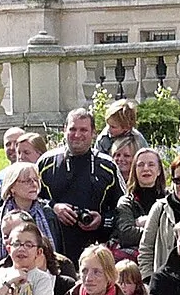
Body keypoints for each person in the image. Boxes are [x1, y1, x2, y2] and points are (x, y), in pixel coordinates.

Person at [39, 109, 122, 265]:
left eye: (83, 130)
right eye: (72, 129)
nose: (77, 135)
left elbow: (123, 209)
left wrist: (102, 220)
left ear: (94, 133)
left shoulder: (108, 166)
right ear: (64, 130)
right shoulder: (46, 163)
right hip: (53, 251)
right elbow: (29, 199)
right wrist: (54, 207)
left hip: (96, 252)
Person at [0, 161, 57, 276]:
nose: (33, 184)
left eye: (35, 180)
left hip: (45, 279)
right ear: (12, 187)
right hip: (6, 282)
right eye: (27, 181)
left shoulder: (47, 213)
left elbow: (58, 254)